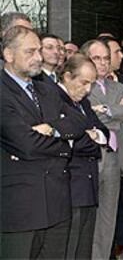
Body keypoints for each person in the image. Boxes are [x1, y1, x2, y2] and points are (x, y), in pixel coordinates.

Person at [0, 26, 83, 259]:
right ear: (8, 55)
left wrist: (53, 129)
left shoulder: (47, 89)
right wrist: (66, 146)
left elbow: (78, 122)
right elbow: (26, 144)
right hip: (20, 210)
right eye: (30, 52)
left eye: (39, 50)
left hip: (57, 205)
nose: (39, 57)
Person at [80, 39, 123, 260]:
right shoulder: (82, 86)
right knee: (88, 219)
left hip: (115, 160)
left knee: (108, 218)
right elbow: (90, 116)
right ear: (86, 59)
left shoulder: (118, 86)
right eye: (97, 58)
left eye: (106, 58)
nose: (103, 63)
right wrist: (117, 111)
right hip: (92, 159)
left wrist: (106, 109)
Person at [56, 53, 109, 259]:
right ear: (68, 76)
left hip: (88, 185)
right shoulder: (56, 99)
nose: (88, 90)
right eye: (84, 82)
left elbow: (104, 132)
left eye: (92, 84)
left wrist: (94, 135)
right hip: (69, 186)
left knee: (83, 248)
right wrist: (91, 138)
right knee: (70, 248)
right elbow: (72, 141)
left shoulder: (84, 103)